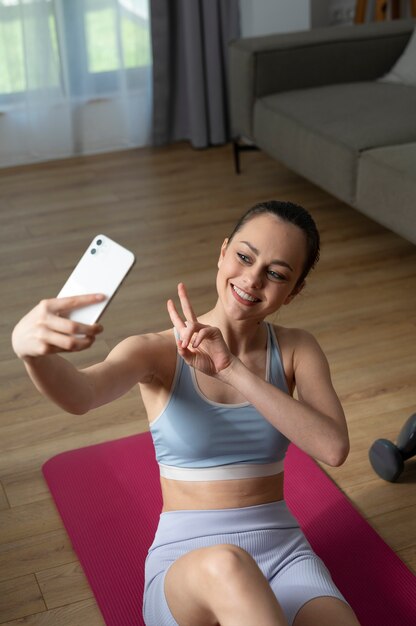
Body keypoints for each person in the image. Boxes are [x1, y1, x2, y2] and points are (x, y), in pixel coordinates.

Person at [12, 201, 360, 626]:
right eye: (245, 257)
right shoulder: (156, 350)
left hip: (285, 555)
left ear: (295, 290)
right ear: (223, 251)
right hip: (192, 563)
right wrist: (32, 355)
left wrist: (232, 369)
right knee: (228, 566)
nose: (251, 279)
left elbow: (333, 446)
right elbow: (82, 394)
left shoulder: (296, 348)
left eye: (277, 273)